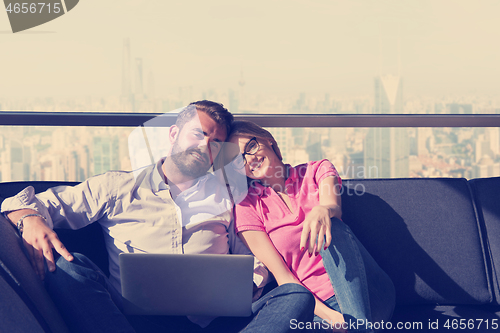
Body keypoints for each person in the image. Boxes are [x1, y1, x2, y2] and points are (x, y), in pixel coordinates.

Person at [0, 101, 315, 333]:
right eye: (198, 134)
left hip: (214, 324)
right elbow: (27, 202)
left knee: (294, 295)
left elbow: (254, 259)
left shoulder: (229, 195)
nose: (205, 146)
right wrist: (28, 217)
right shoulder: (118, 186)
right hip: (133, 323)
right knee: (69, 269)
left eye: (215, 142)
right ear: (174, 133)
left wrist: (240, 288)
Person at [225, 120, 396, 333]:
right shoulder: (246, 206)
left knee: (332, 225)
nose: (249, 160)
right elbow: (284, 279)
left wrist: (324, 210)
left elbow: (333, 206)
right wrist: (333, 317)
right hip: (319, 309)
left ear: (268, 140)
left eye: (251, 147)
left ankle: (356, 325)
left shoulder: (316, 170)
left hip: (369, 291)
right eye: (237, 160)